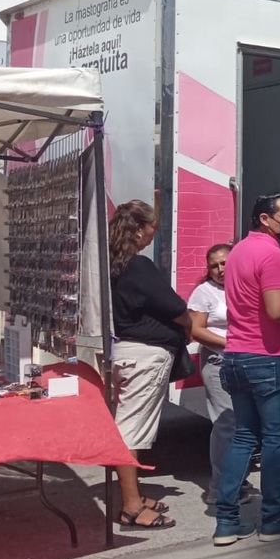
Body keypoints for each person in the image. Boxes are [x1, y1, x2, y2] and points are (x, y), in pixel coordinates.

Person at [213, 192, 280, 547]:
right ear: (264, 218)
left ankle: (226, 520)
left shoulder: (239, 250)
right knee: (274, 440)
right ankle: (273, 518)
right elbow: (275, 310)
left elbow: (258, 304)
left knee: (244, 437)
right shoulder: (272, 255)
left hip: (236, 355)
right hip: (269, 358)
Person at [109, 200, 190, 530]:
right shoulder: (138, 266)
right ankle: (130, 506)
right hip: (144, 356)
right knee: (131, 431)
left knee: (131, 426)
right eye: (151, 227)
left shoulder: (113, 264)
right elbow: (175, 307)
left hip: (126, 352)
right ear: (139, 229)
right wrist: (187, 325)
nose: (153, 234)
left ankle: (134, 497)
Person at [187, 243, 253, 507]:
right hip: (219, 362)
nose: (219, 269)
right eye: (213, 265)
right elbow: (196, 330)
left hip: (247, 361)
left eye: (224, 263)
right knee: (227, 424)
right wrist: (231, 344)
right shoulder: (204, 292)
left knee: (246, 425)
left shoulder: (247, 286)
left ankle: (238, 479)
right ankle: (219, 489)